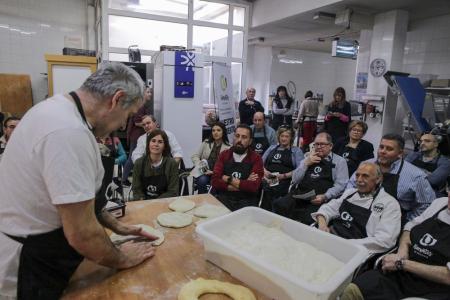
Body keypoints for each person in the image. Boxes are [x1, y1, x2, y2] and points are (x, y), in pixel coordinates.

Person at [0, 62, 157, 299]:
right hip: (29, 265)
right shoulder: (67, 132)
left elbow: (70, 197)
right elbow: (81, 233)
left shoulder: (57, 109)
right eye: (128, 114)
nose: (123, 124)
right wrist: (123, 258)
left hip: (44, 250)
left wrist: (115, 225)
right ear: (116, 99)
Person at [342, 180, 450, 300]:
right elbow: (410, 227)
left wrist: (403, 264)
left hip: (432, 288)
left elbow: (447, 276)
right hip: (400, 273)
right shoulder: (440, 203)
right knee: (352, 290)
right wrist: (402, 250)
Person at [312, 162, 401, 255]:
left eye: (365, 176)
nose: (359, 180)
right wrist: (322, 224)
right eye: (357, 175)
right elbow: (328, 209)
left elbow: (385, 240)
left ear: (378, 179)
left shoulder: (390, 204)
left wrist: (346, 244)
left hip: (354, 250)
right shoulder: (350, 193)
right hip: (330, 238)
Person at [347, 133, 435, 223]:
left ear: (400, 153)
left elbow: (426, 204)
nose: (383, 151)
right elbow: (351, 186)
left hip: (392, 222)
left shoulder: (416, 176)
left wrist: (408, 223)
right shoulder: (366, 164)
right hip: (359, 214)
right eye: (381, 147)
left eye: (389, 149)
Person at [272, 132, 348, 224]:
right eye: (316, 144)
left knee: (308, 218)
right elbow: (295, 179)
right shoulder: (307, 158)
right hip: (300, 195)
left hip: (319, 198)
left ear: (330, 146)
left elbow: (340, 185)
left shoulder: (340, 161)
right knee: (279, 205)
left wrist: (325, 196)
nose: (319, 147)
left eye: (322, 144)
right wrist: (306, 164)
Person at [211, 124, 264, 211]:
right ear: (233, 137)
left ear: (250, 141)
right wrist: (244, 183)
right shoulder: (224, 155)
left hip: (246, 201)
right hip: (224, 199)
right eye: (237, 136)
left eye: (244, 137)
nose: (239, 140)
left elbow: (253, 186)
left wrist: (228, 179)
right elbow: (215, 181)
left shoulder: (256, 158)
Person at [261, 126, 304, 210]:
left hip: (285, 180)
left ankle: (275, 212)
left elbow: (300, 170)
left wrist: (283, 176)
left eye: (286, 136)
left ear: (291, 138)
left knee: (274, 189)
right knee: (263, 186)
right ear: (278, 137)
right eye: (282, 136)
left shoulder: (296, 151)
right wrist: (265, 172)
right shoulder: (272, 148)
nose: (284, 139)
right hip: (267, 177)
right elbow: (260, 163)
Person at [132, 129, 179, 200]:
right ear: (148, 143)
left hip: (164, 202)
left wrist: (155, 202)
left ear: (164, 146)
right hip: (143, 202)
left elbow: (173, 191)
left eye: (160, 142)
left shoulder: (171, 164)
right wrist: (143, 201)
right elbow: (136, 189)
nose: (156, 144)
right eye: (153, 141)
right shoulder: (139, 163)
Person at [122, 86, 152, 185]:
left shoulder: (143, 105)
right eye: (148, 92)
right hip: (136, 136)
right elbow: (136, 122)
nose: (150, 94)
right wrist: (148, 123)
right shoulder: (140, 106)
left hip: (138, 135)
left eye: (150, 92)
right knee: (132, 157)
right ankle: (123, 179)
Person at [191, 121, 231, 194]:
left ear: (223, 132)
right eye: (213, 130)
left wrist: (213, 172)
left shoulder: (229, 147)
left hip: (219, 173)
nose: (215, 132)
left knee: (217, 184)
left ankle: (214, 200)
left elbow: (228, 166)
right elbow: (195, 156)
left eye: (218, 130)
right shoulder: (206, 143)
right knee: (202, 180)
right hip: (205, 170)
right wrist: (202, 167)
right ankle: (202, 200)